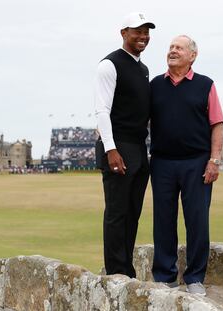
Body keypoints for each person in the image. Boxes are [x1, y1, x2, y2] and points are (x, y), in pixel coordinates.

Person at [150, 35, 223, 295]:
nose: (172, 51)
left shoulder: (206, 85)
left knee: (197, 221)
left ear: (192, 55)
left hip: (197, 163)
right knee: (163, 221)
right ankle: (165, 276)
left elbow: (217, 123)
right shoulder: (155, 86)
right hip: (162, 163)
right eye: (170, 47)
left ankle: (194, 278)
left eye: (178, 48)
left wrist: (214, 160)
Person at [94, 12, 155, 278]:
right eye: (137, 31)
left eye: (146, 32)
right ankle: (116, 272)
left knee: (133, 213)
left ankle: (126, 268)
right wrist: (111, 149)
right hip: (118, 146)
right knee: (117, 213)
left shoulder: (143, 69)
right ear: (123, 33)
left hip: (138, 147)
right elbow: (102, 111)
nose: (142, 36)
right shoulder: (109, 65)